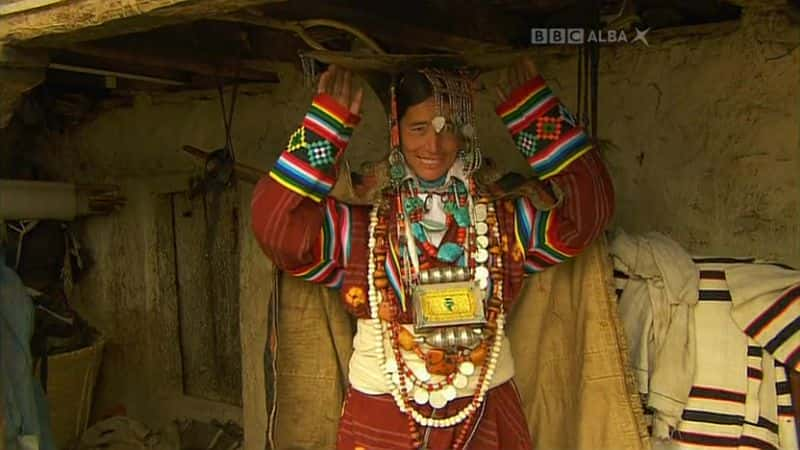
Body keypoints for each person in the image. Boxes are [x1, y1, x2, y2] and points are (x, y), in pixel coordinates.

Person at [251, 57, 615, 450]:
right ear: (396, 129)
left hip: (485, 409)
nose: (434, 145)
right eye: (418, 128)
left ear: (466, 132)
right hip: (384, 414)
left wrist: (534, 113)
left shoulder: (501, 216)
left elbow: (588, 213)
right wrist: (325, 129)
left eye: (448, 128)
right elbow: (275, 229)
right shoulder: (362, 221)